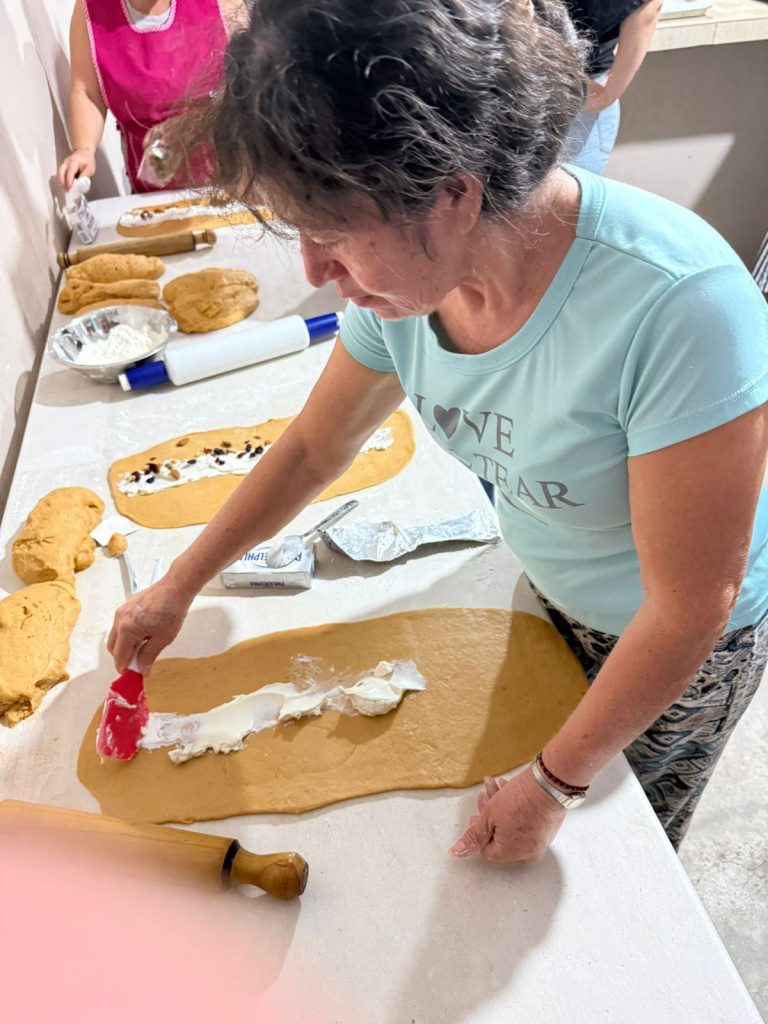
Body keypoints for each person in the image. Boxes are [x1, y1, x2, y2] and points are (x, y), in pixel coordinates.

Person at [109, 0, 768, 862]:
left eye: (333, 234)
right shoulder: (409, 291)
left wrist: (555, 783)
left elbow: (690, 607)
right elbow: (316, 446)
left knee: (617, 868)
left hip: (676, 651)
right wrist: (180, 583)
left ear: (455, 192)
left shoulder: (681, 307)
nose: (314, 272)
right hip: (545, 588)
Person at [57, 0, 247, 193]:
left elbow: (254, 79)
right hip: (154, 192)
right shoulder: (92, 9)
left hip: (232, 179)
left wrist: (193, 125)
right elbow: (88, 93)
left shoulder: (224, 3)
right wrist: (84, 149)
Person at [564, 0, 663, 174]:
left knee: (509, 195)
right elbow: (647, 11)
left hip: (515, 77)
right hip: (578, 85)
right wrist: (607, 95)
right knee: (568, 193)